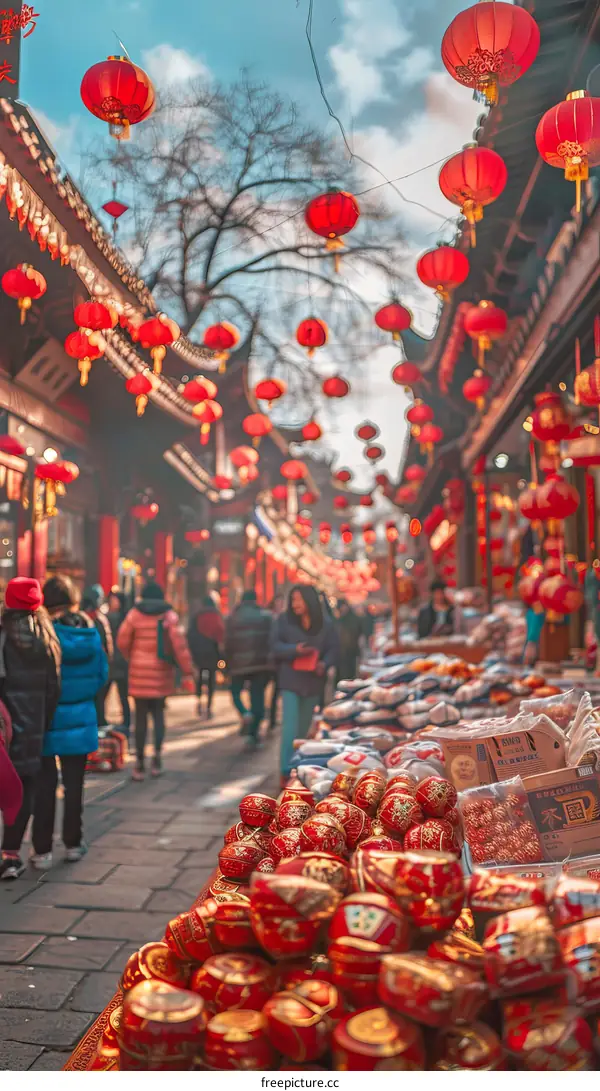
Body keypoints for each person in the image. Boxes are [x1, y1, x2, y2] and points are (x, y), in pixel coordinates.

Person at [35, 575, 108, 868]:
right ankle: (73, 844)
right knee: (75, 785)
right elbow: (102, 675)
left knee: (44, 786)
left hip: (48, 718)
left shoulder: (44, 632)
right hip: (81, 717)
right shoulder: (90, 631)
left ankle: (42, 850)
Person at [0, 577, 61, 879]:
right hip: (36, 724)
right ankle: (17, 853)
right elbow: (54, 686)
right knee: (28, 785)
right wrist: (43, 720)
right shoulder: (47, 635)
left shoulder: (2, 633)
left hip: (5, 723)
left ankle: (10, 855)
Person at [117, 581, 194, 780]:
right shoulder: (168, 616)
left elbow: (122, 640)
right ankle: (157, 759)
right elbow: (179, 645)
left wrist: (132, 657)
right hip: (161, 674)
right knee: (158, 716)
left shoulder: (134, 615)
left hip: (139, 674)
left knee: (140, 718)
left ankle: (139, 763)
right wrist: (187, 669)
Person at [271, 585, 338, 781]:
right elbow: (274, 646)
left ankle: (297, 768)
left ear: (310, 600)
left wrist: (324, 664)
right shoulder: (283, 621)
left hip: (313, 681)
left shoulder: (325, 624)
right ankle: (286, 772)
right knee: (289, 729)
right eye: (293, 600)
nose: (295, 604)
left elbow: (334, 648)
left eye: (299, 599)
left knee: (303, 729)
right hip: (291, 680)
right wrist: (295, 650)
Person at [225, 590, 272, 745]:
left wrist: (225, 664)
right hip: (260, 664)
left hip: (237, 664)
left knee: (235, 692)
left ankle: (245, 713)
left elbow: (227, 643)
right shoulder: (265, 617)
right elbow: (271, 640)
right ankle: (254, 733)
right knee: (257, 696)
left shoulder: (231, 618)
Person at [81, 585, 113, 728]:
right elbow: (107, 645)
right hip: (98, 667)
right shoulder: (99, 619)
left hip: (84, 669)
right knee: (98, 701)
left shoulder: (78, 618)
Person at [188, 595, 225, 718]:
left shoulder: (196, 616)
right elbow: (221, 634)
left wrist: (192, 651)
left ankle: (199, 701)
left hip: (198, 653)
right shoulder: (217, 616)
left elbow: (190, 635)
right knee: (211, 679)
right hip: (212, 653)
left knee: (200, 677)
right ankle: (209, 706)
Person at [106, 591, 131, 738]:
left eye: (114, 600)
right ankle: (126, 723)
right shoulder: (127, 618)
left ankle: (102, 722)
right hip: (120, 662)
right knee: (123, 696)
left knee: (111, 694)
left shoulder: (110, 618)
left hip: (115, 662)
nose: (111, 602)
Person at [335, 599, 363, 682]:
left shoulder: (354, 618)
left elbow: (359, 633)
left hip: (351, 650)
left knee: (350, 671)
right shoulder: (339, 619)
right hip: (341, 651)